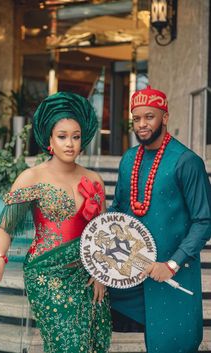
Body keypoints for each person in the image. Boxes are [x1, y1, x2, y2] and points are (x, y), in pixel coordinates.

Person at [0, 92, 112, 353]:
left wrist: (101, 273)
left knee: (88, 345)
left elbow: (102, 234)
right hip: (46, 275)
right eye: (62, 136)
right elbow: (4, 227)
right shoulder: (32, 177)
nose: (70, 143)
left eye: (75, 136)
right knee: (68, 344)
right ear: (49, 139)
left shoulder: (94, 179)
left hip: (87, 275)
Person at [108, 85, 211, 353]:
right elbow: (118, 208)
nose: (142, 124)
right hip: (131, 272)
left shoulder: (187, 161)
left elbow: (204, 221)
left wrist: (173, 263)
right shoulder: (129, 158)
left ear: (164, 117)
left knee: (172, 344)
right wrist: (98, 253)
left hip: (172, 274)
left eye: (149, 117)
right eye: (137, 118)